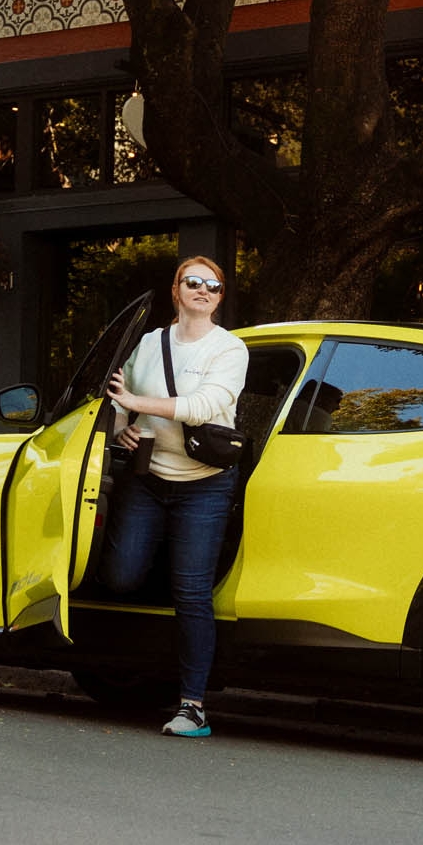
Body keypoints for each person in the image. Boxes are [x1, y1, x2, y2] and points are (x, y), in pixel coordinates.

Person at [102, 255, 249, 738]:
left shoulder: (230, 349)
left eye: (214, 286)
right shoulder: (146, 345)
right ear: (176, 290)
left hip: (204, 484)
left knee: (192, 593)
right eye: (194, 282)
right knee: (121, 576)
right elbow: (116, 390)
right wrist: (125, 427)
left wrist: (136, 407)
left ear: (220, 297)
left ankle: (193, 706)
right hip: (149, 479)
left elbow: (203, 406)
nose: (204, 290)